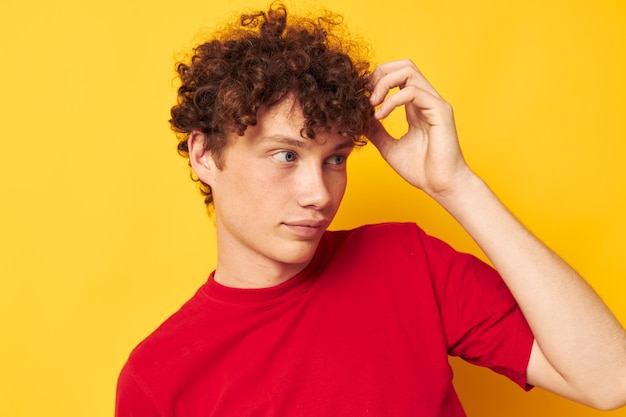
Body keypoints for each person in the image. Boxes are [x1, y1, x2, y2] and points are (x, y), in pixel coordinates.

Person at [115, 3, 626, 416]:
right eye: (286, 155)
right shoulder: (160, 377)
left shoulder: (406, 261)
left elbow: (610, 379)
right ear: (205, 155)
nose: (319, 194)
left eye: (335, 158)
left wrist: (456, 185)